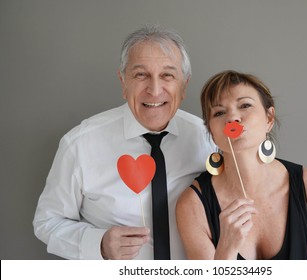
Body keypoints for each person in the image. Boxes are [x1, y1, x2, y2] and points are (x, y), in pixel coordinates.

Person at [33, 24, 215, 260]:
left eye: (167, 75)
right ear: (123, 81)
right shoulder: (79, 144)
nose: (155, 89)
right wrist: (99, 244)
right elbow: (47, 222)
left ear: (184, 85)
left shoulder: (209, 139)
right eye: (141, 75)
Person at [176, 70, 307, 260]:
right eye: (219, 112)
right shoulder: (192, 205)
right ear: (211, 132)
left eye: (245, 105)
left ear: (269, 118)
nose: (232, 118)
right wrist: (226, 249)